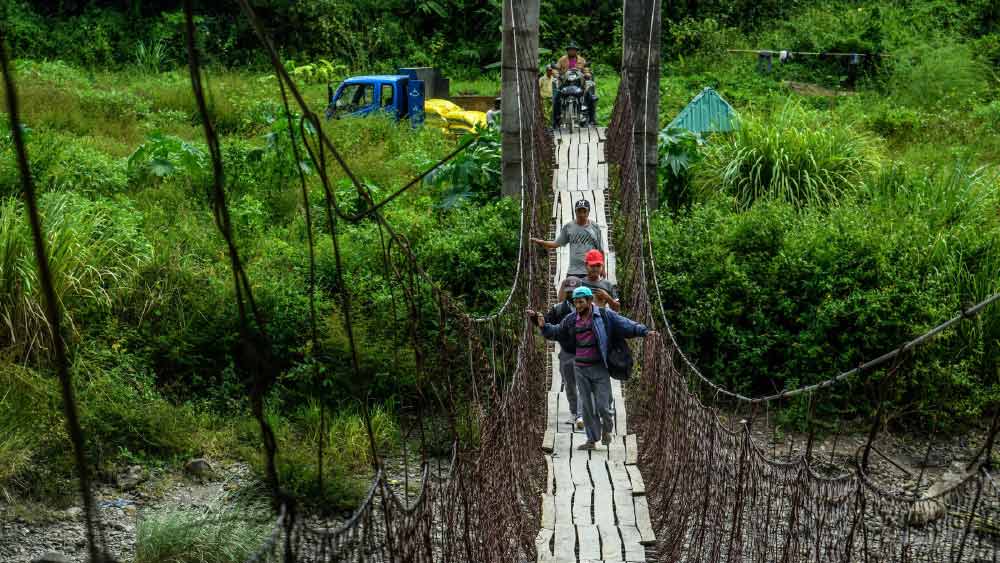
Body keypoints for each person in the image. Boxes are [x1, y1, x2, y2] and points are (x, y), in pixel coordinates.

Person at [527, 287, 652, 449]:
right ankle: (591, 440)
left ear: (589, 301)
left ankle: (607, 430)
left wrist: (645, 331)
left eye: (581, 302)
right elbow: (557, 332)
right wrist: (542, 325)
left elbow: (625, 325)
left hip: (599, 368)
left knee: (603, 407)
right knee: (586, 407)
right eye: (575, 302)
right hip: (580, 368)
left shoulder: (604, 315)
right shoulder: (571, 319)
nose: (578, 305)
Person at [544, 277, 584, 429]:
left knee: (583, 384)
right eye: (569, 292)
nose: (571, 295)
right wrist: (537, 319)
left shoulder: (590, 309)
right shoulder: (559, 309)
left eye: (574, 292)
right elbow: (546, 325)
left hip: (585, 353)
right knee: (569, 385)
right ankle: (574, 413)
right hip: (566, 353)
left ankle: (581, 415)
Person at [530, 199, 603, 279]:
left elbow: (601, 250)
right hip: (573, 271)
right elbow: (556, 244)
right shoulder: (569, 227)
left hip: (591, 271)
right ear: (575, 212)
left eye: (584, 211)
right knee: (569, 290)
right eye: (579, 211)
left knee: (590, 291)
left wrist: (603, 269)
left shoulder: (595, 227)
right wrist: (541, 242)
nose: (581, 214)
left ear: (588, 212)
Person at [552, 42, 597, 128]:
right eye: (570, 50)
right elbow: (556, 69)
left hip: (579, 83)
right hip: (565, 84)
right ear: (567, 51)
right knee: (556, 99)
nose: (571, 51)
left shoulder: (582, 60)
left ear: (576, 51)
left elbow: (586, 69)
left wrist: (587, 74)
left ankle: (592, 120)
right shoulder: (562, 59)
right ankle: (556, 121)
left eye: (573, 50)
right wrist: (557, 74)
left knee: (591, 98)